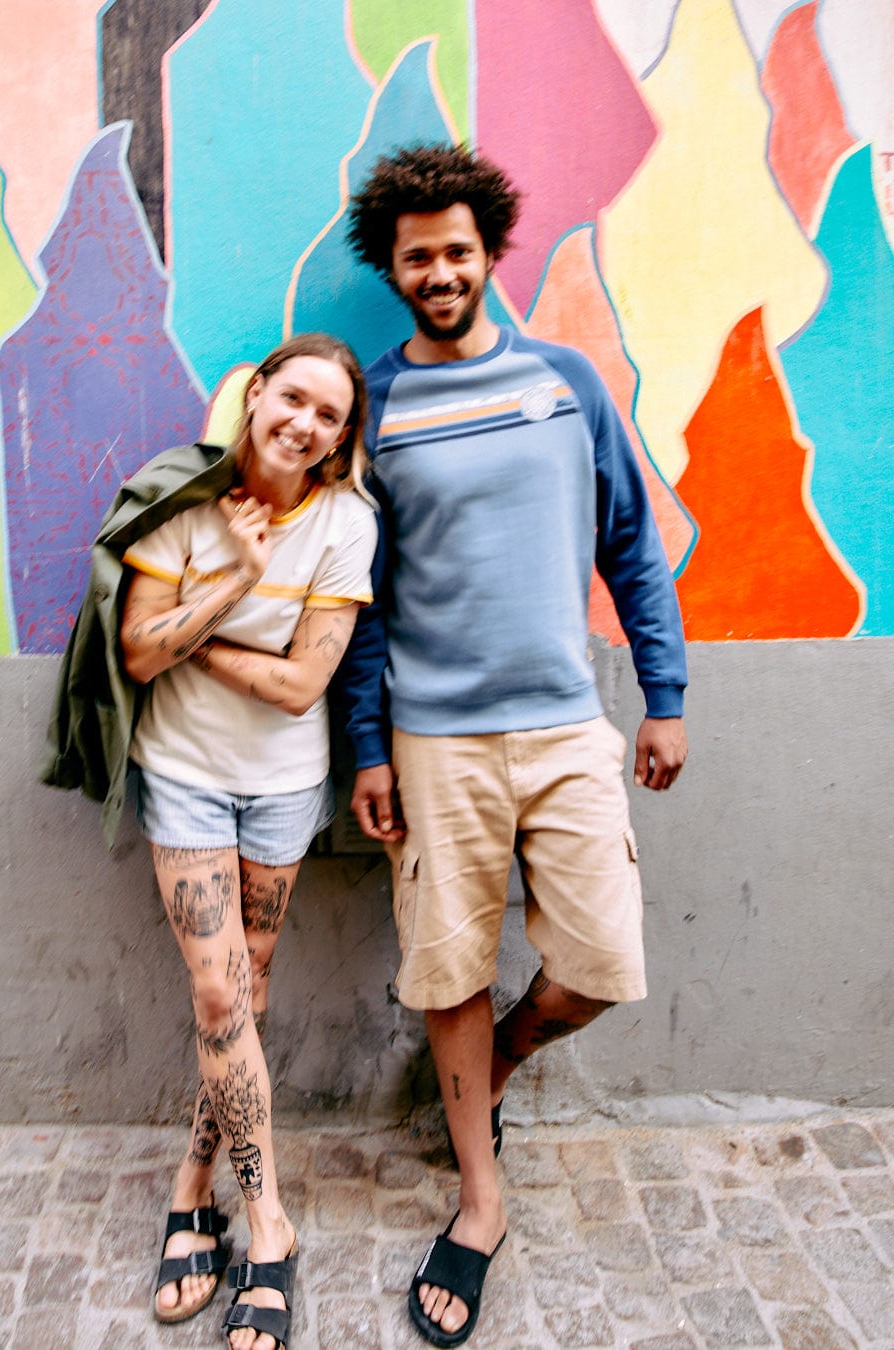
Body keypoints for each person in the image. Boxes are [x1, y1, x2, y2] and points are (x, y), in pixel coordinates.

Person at [341, 144, 689, 1347]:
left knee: (598, 964)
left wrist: (666, 693)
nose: (438, 270)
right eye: (415, 256)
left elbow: (634, 545)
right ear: (391, 269)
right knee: (446, 970)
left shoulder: (564, 382)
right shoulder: (373, 407)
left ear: (489, 252)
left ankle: (499, 1066)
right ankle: (480, 1201)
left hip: (563, 725)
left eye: (455, 249)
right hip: (434, 742)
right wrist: (369, 748)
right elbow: (362, 599)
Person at [119, 332, 377, 1350]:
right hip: (183, 779)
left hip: (281, 790)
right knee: (222, 993)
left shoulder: (347, 523)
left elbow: (302, 684)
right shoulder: (178, 502)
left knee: (249, 990)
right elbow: (140, 654)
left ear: (341, 436)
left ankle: (193, 1187)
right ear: (257, 393)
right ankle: (268, 1228)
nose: (304, 423)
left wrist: (198, 628)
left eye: (329, 415)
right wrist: (232, 576)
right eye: (293, 398)